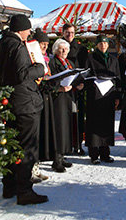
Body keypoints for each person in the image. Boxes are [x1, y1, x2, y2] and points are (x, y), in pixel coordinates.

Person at [0, 14, 48, 205]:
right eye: (28, 30)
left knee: (12, 146)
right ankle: (25, 191)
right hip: (25, 103)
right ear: (21, 30)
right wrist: (40, 68)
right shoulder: (17, 46)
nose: (29, 33)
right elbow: (22, 74)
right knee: (28, 147)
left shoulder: (0, 44)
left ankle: (9, 186)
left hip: (10, 102)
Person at [81, 34, 121, 164]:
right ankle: (94, 155)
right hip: (95, 96)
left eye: (105, 43)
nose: (103, 45)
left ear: (108, 45)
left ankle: (105, 153)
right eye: (100, 43)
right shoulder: (90, 58)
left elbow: (118, 79)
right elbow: (86, 76)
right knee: (94, 125)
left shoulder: (113, 60)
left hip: (108, 95)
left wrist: (117, 97)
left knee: (107, 124)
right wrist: (92, 83)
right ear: (96, 45)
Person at [48, 38, 84, 171]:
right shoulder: (52, 63)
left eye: (66, 49)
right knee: (59, 127)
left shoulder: (70, 62)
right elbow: (50, 81)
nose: (64, 51)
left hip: (70, 97)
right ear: (55, 50)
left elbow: (74, 78)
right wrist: (60, 88)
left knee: (67, 126)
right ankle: (56, 159)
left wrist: (79, 84)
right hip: (58, 99)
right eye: (61, 49)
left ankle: (62, 155)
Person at [60, 23, 88, 156]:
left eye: (72, 32)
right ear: (63, 33)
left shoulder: (81, 49)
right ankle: (66, 144)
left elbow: (85, 68)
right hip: (64, 88)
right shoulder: (59, 47)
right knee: (66, 117)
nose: (69, 35)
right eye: (67, 32)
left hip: (78, 88)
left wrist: (81, 84)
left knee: (79, 117)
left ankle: (78, 144)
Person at [32, 29, 53, 181]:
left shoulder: (46, 58)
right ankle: (31, 170)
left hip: (43, 97)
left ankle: (36, 167)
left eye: (46, 44)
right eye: (42, 44)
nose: (44, 47)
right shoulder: (32, 57)